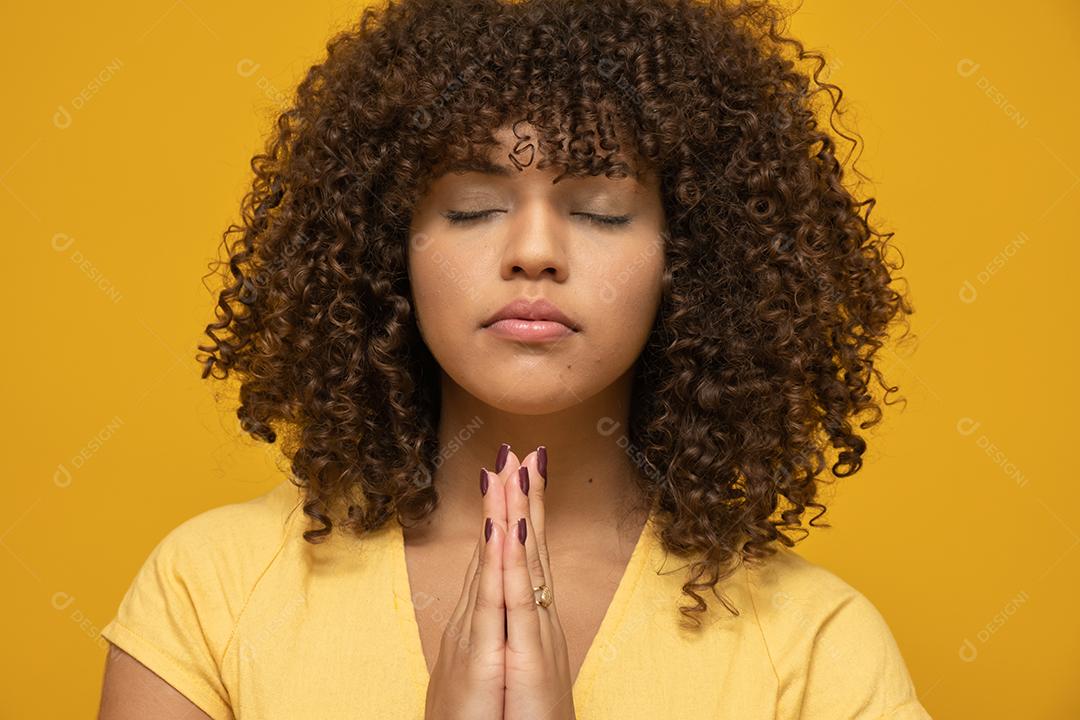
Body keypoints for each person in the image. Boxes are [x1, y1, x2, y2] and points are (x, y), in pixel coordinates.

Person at [97, 0, 932, 717]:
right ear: (390, 249)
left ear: (694, 259)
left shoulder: (819, 648)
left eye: (601, 211)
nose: (534, 252)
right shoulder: (211, 592)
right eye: (471, 208)